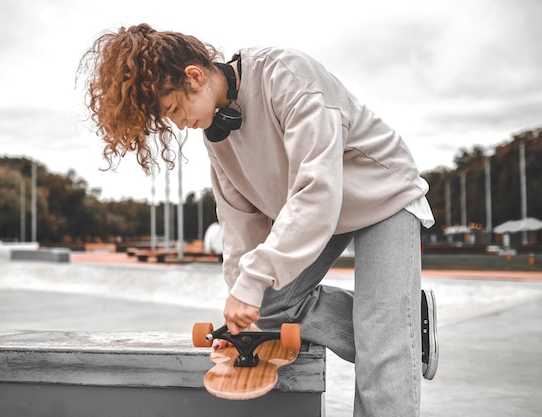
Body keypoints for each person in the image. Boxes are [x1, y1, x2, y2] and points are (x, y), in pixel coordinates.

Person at [79, 23, 439, 416]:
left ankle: (393, 331)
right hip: (315, 211)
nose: (179, 123)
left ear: (194, 77)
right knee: (271, 306)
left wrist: (254, 281)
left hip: (382, 195)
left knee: (383, 362)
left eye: (175, 110)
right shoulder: (216, 137)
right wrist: (239, 313)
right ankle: (402, 327)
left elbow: (316, 192)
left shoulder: (287, 76)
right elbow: (239, 225)